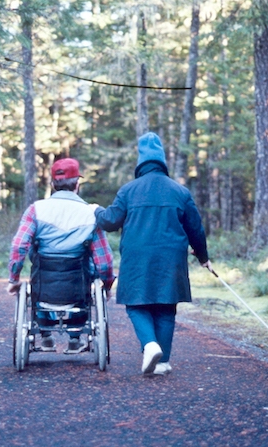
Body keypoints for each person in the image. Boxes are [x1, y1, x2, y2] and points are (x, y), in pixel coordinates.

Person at [94, 132, 212, 376]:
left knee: (137, 305)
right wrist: (203, 257)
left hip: (137, 259)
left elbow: (110, 221)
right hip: (172, 260)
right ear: (162, 160)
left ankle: (149, 345)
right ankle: (162, 362)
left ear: (140, 161)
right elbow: (196, 228)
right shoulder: (180, 191)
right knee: (166, 307)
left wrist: (96, 212)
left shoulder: (129, 190)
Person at [7, 158, 115, 354]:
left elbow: (18, 246)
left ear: (52, 184)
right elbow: (104, 261)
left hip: (44, 279)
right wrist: (107, 284)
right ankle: (75, 338)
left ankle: (46, 336)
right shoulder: (90, 214)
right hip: (77, 281)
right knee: (86, 261)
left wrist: (13, 278)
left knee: (39, 258)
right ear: (77, 184)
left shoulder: (35, 210)